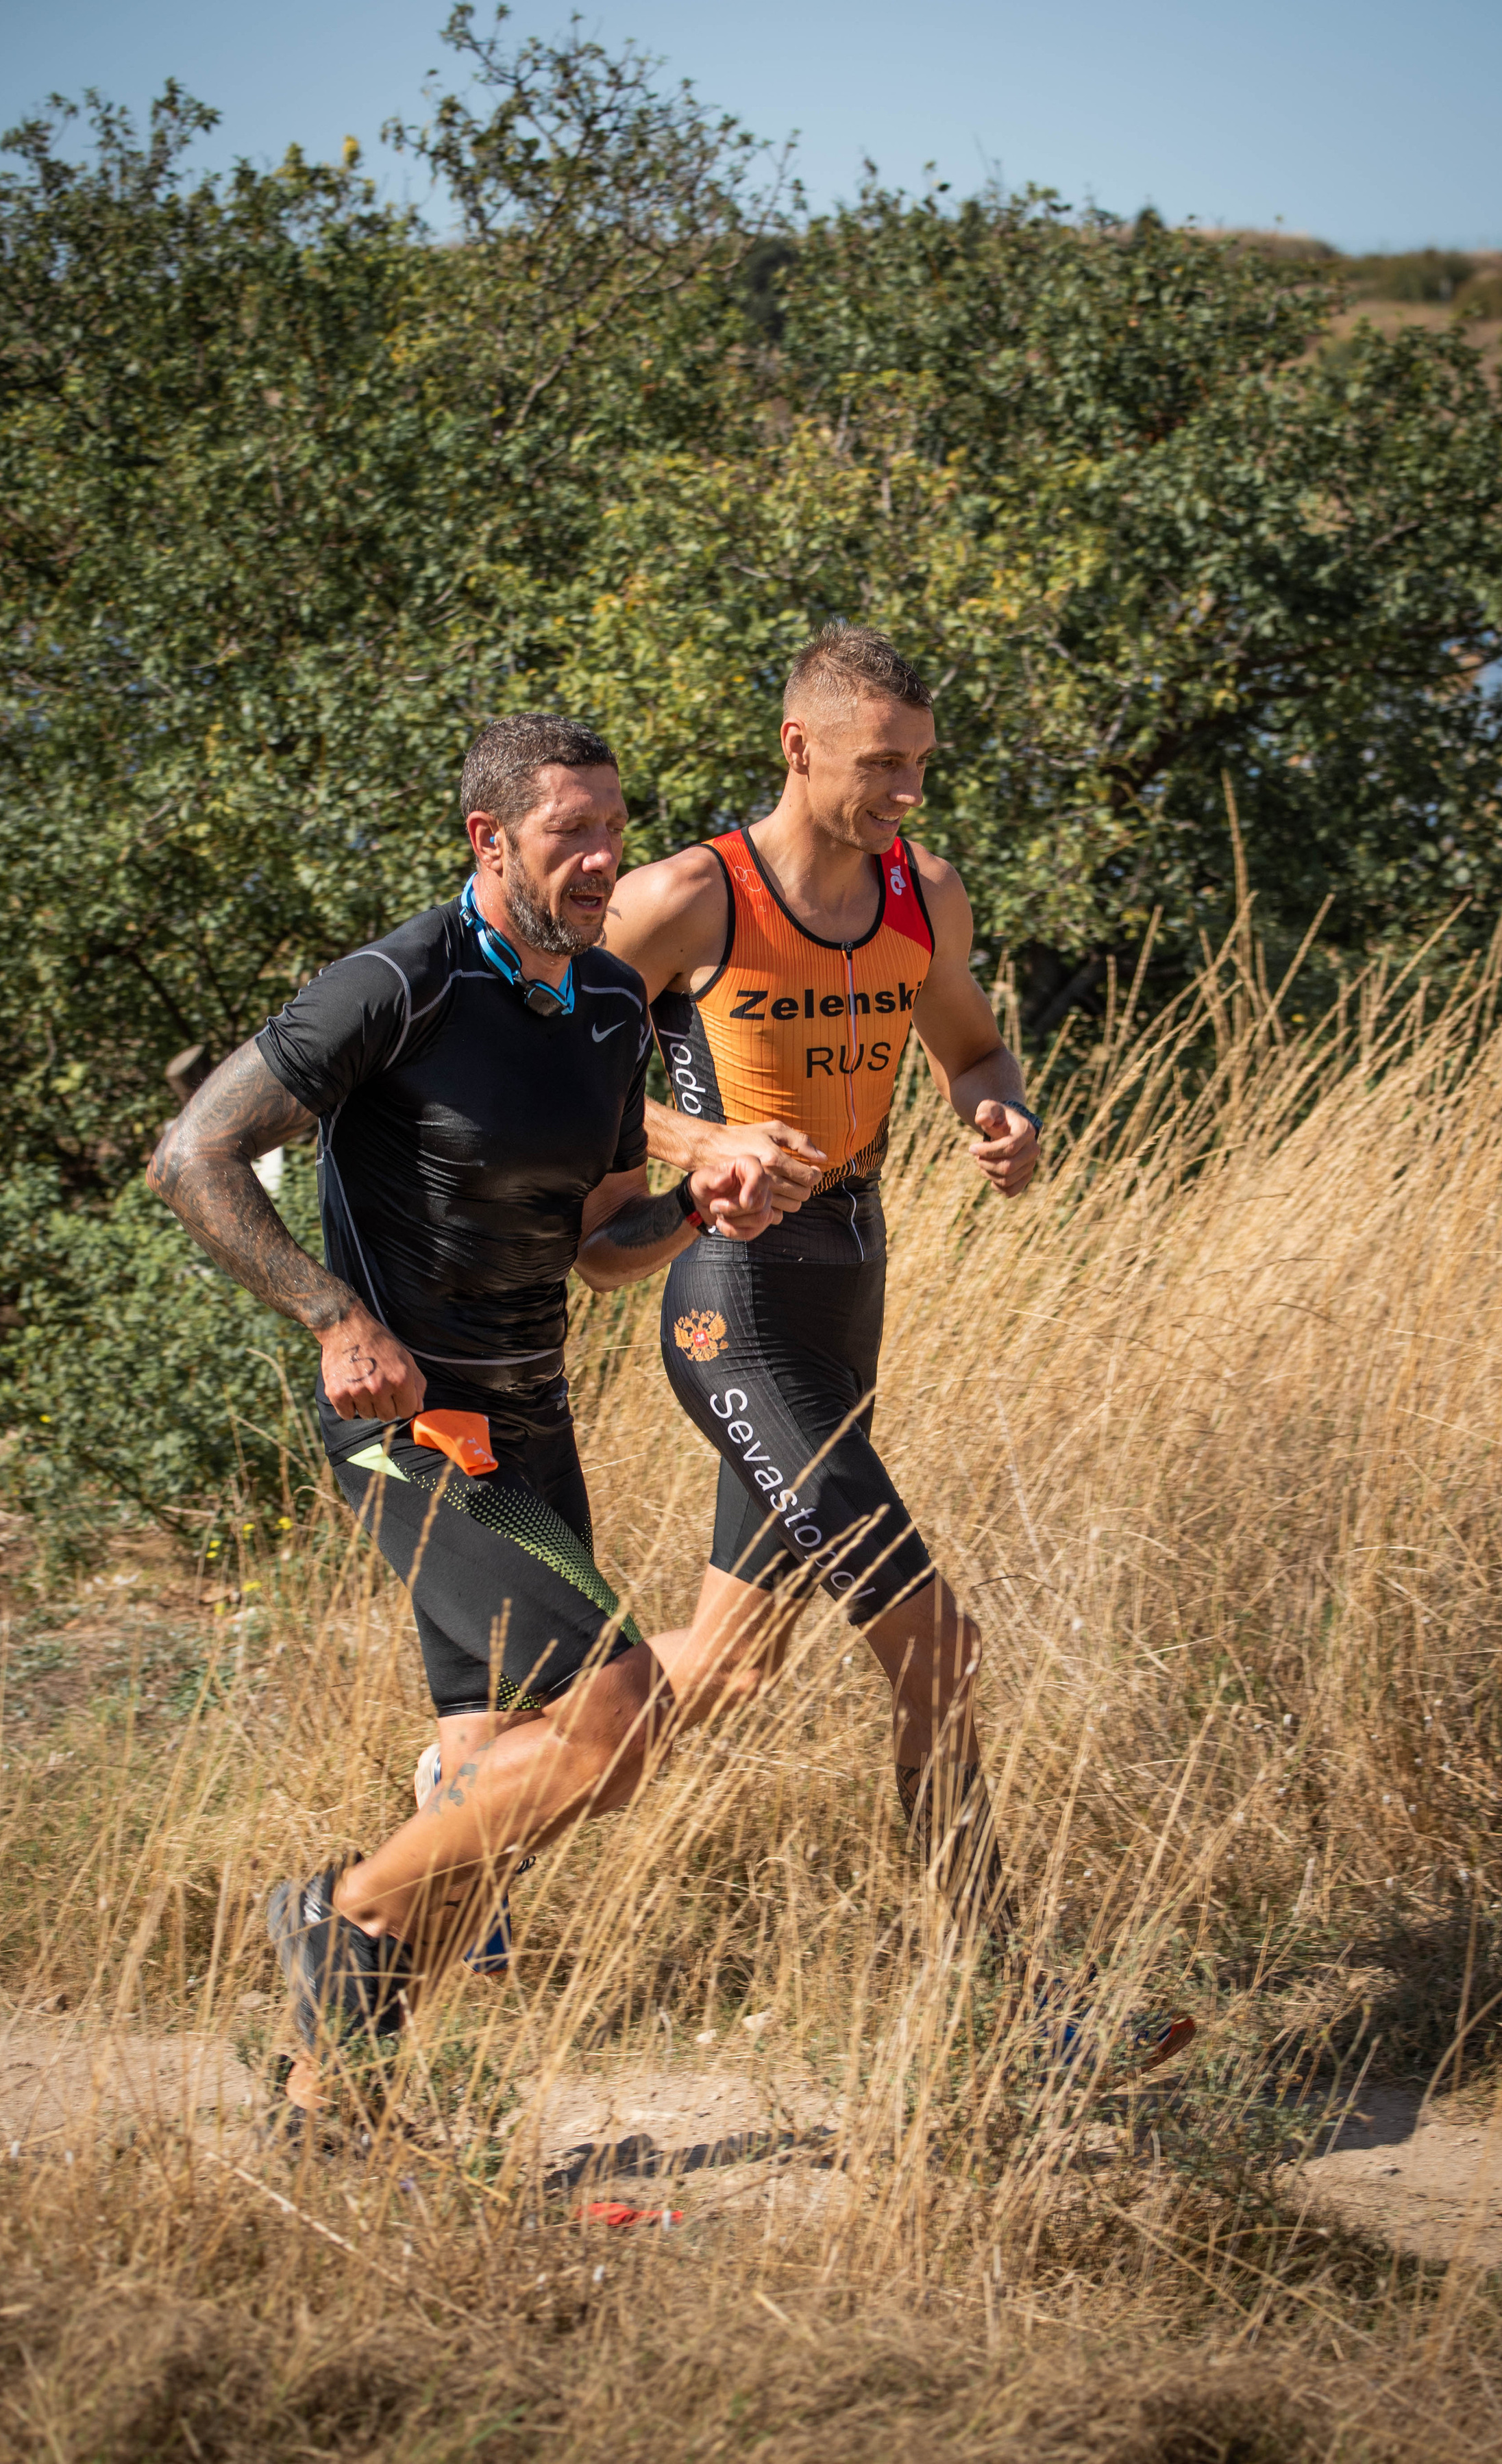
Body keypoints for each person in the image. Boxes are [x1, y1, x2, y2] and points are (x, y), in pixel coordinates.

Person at [148, 714, 785, 2122]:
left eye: (614, 826)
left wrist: (697, 1206)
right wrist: (334, 1316)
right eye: (571, 831)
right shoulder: (400, 982)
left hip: (532, 1417)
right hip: (409, 1418)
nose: (603, 855)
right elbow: (192, 1153)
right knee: (615, 1720)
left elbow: (601, 1242)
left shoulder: (611, 1006)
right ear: (488, 840)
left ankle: (328, 2102)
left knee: (502, 1775)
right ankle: (340, 1909)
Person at [600, 624, 1193, 2070]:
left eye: (919, 765)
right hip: (725, 1301)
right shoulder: (684, 898)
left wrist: (1004, 1112)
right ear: (797, 748)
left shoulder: (922, 893)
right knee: (933, 1638)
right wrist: (703, 1138)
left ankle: (471, 1783)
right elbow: (541, 1084)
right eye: (879, 765)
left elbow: (973, 1046)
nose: (904, 793)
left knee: (727, 1669)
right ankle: (1010, 2012)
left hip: (846, 1284)